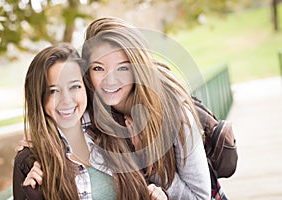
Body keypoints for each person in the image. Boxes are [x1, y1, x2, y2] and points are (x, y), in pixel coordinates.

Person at [13, 43, 167, 200]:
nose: (66, 100)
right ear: (39, 98)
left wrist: (158, 195)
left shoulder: (117, 130)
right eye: (53, 91)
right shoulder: (28, 162)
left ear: (85, 87)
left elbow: (145, 187)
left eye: (74, 86)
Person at [80, 17, 211, 199]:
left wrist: (149, 158)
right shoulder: (88, 104)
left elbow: (201, 197)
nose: (109, 80)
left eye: (122, 68)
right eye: (98, 68)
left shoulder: (174, 110)